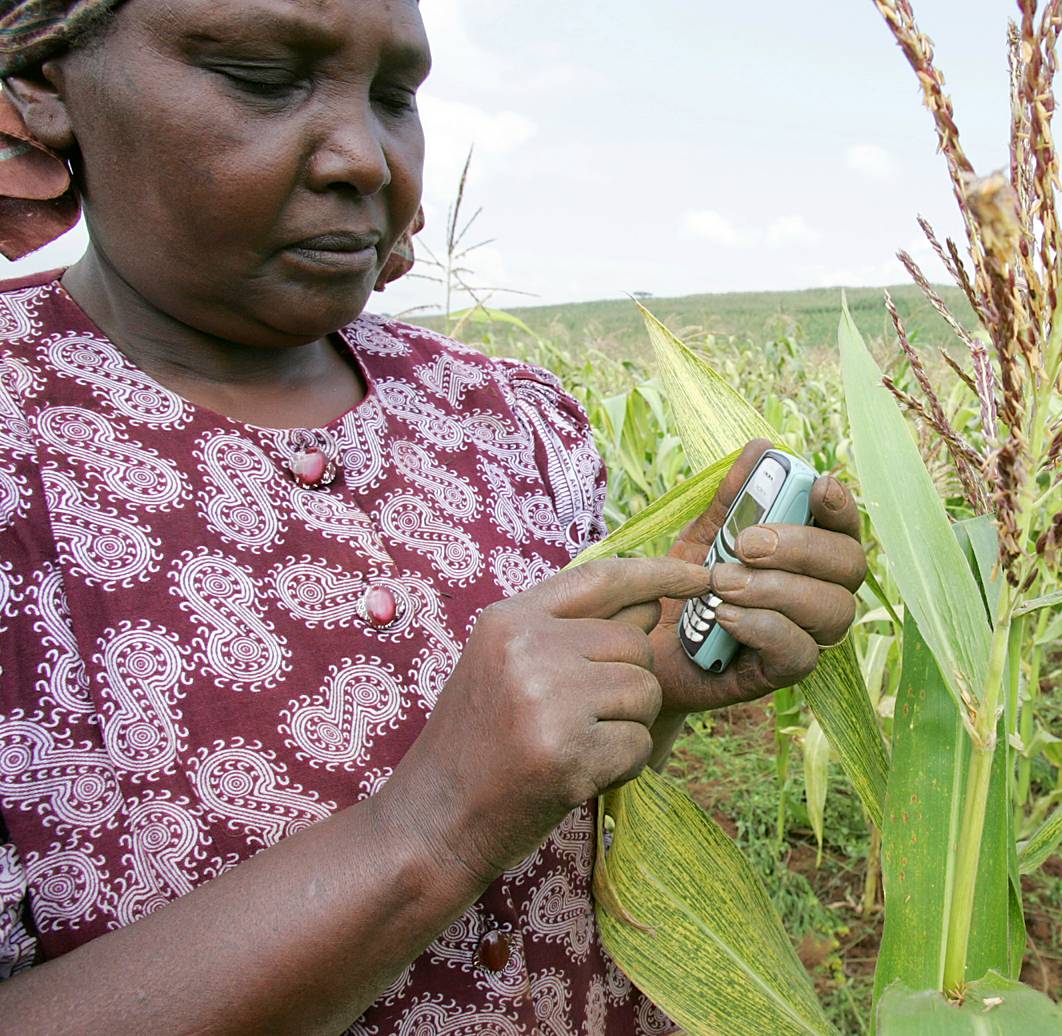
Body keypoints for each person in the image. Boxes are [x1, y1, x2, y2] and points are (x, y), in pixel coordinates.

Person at [0, 1, 867, 1032]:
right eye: (263, 77)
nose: (365, 158)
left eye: (395, 97)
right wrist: (430, 827)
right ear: (44, 85)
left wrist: (657, 686)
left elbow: (558, 818)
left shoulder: (513, 418)